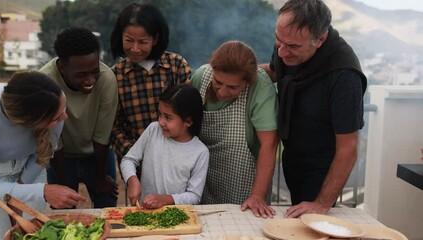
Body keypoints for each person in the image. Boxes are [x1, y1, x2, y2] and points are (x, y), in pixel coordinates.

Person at [259, 0, 367, 218]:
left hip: (322, 168)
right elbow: (274, 71)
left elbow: (348, 148)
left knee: (312, 224)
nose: (282, 52)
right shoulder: (286, 45)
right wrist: (234, 72)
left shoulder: (344, 76)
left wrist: (321, 203)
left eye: (293, 47)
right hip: (293, 157)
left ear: (321, 39)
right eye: (279, 41)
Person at [0, 71, 87, 239]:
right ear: (29, 123)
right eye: (57, 117)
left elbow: (44, 153)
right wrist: (44, 192)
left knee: (39, 233)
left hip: (32, 165)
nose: (65, 117)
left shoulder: (55, 102)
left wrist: (23, 187)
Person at [191, 41, 279, 218]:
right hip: (203, 176)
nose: (222, 92)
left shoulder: (260, 87)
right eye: (218, 82)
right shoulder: (201, 76)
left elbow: (269, 146)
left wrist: (257, 196)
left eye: (232, 87)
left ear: (248, 81)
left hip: (245, 181)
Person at [110, 3, 191, 181]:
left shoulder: (176, 66)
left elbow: (189, 115)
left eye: (143, 42)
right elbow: (114, 126)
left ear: (155, 39)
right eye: (129, 40)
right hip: (137, 168)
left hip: (177, 162)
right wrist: (136, 155)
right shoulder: (114, 76)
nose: (135, 48)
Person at [40, 27, 119, 208]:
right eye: (81, 75)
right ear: (62, 67)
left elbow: (102, 135)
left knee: (107, 210)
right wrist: (61, 182)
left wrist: (101, 178)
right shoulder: (45, 81)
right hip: (59, 157)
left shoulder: (107, 80)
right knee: (63, 215)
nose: (91, 80)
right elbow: (53, 139)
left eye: (94, 71)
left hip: (98, 156)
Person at [120, 85, 209, 209]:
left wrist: (165, 199)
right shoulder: (153, 130)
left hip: (177, 217)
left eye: (168, 117)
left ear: (188, 121)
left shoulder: (200, 152)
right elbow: (128, 160)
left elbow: (194, 196)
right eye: (160, 114)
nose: (161, 121)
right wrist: (132, 180)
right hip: (145, 212)